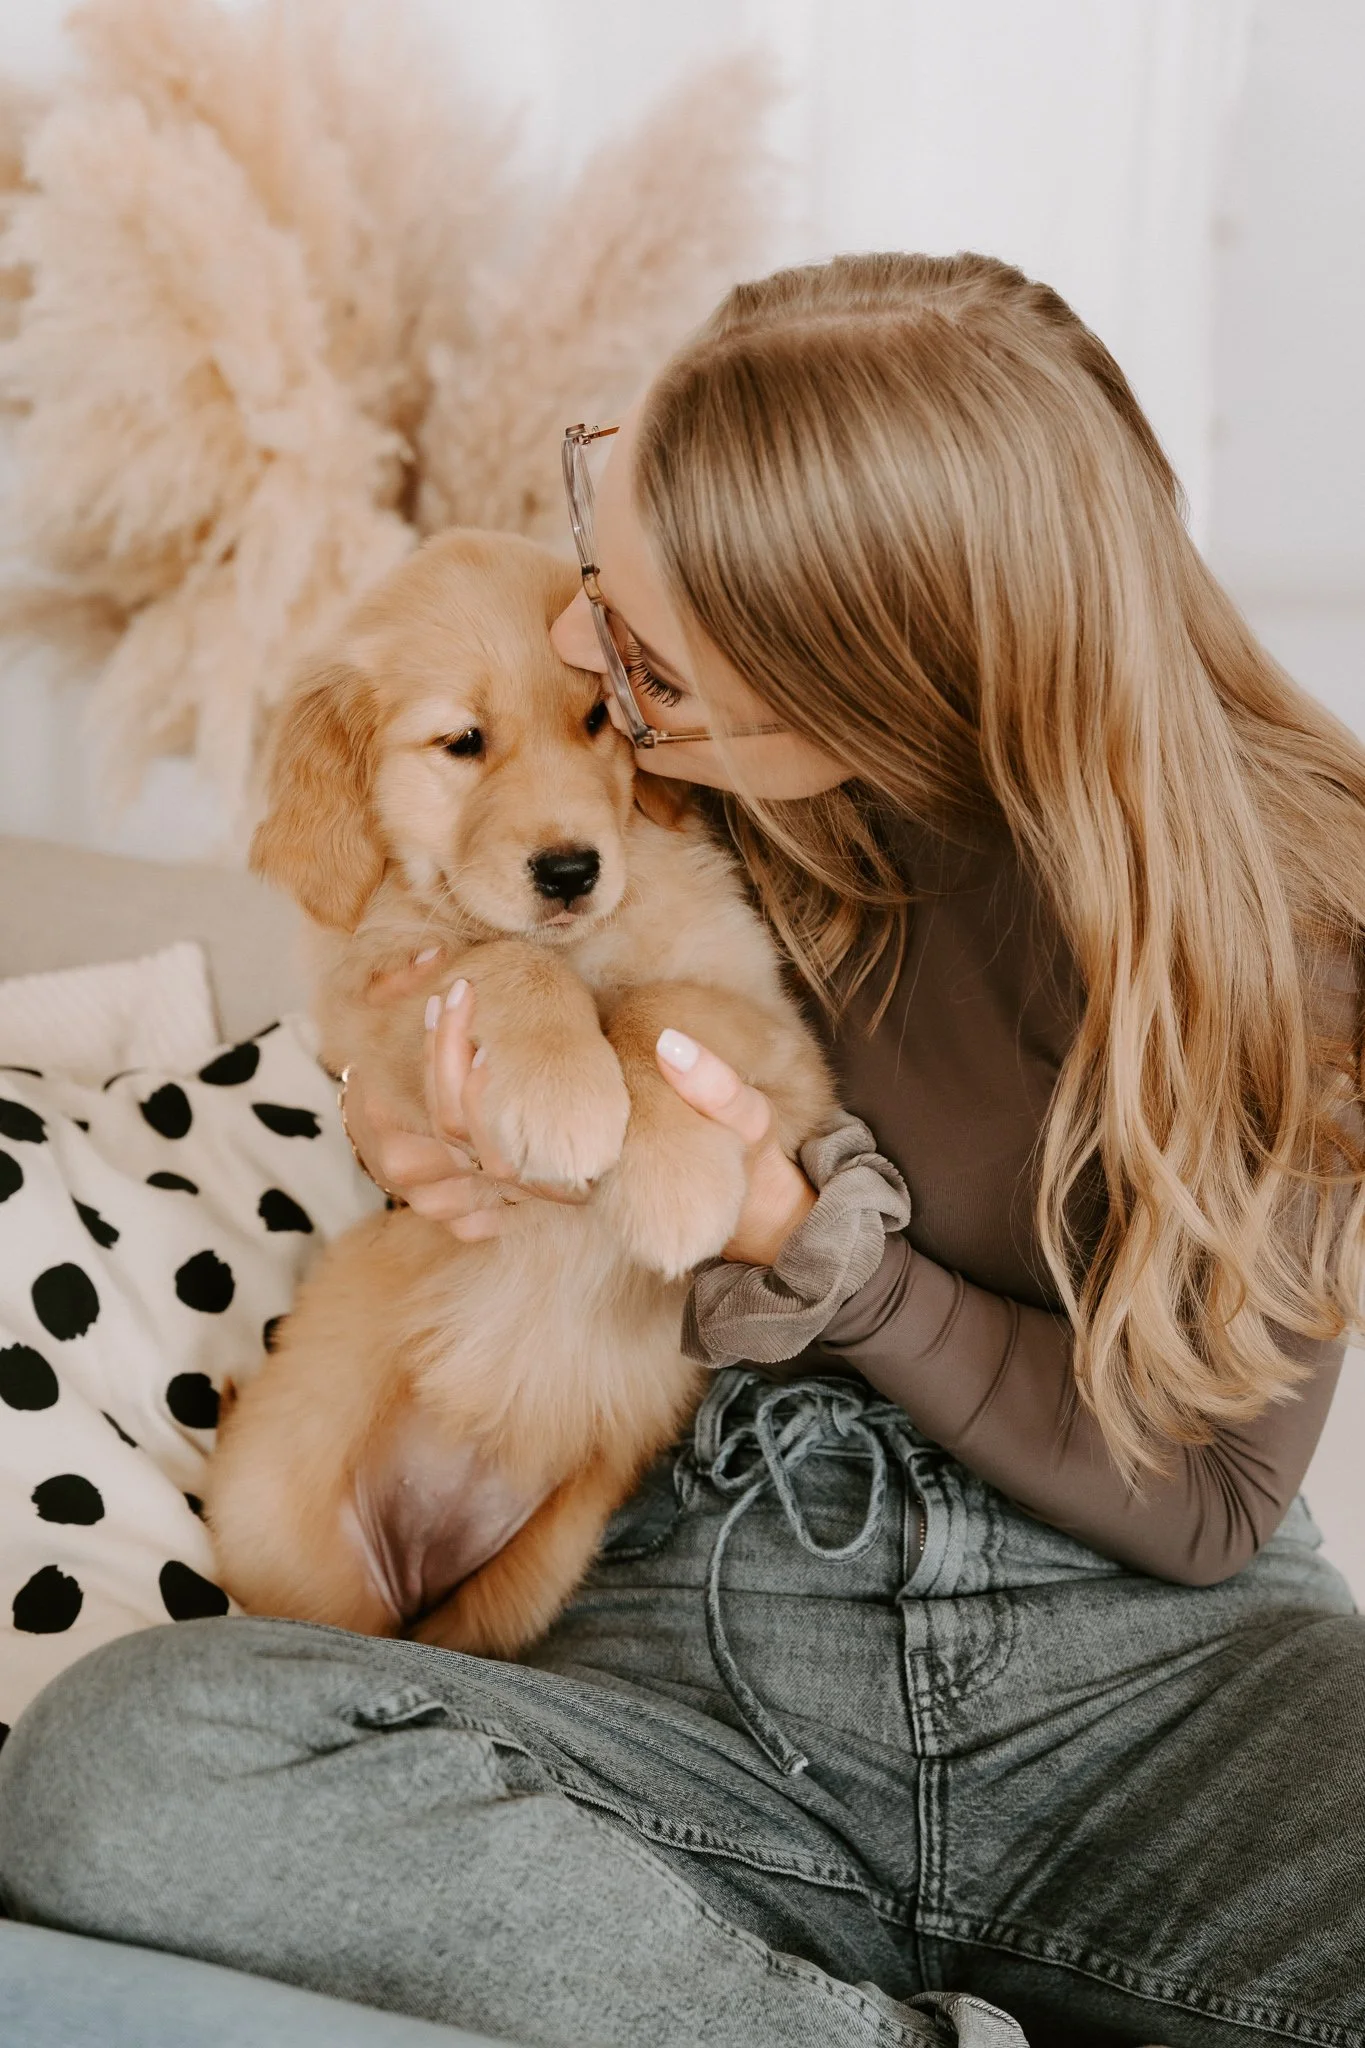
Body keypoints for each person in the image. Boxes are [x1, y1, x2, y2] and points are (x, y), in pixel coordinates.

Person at [2, 252, 1362, 2048]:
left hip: (1157, 1695)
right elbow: (416, 937)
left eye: (642, 651)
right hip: (686, 1625)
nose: (587, 660)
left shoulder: (1297, 924)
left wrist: (833, 1261)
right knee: (119, 1767)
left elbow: (1205, 1510)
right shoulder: (696, 763)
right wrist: (417, 1099)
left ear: (882, 684)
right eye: (598, 565)